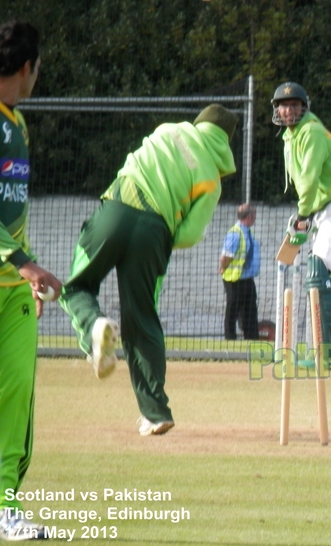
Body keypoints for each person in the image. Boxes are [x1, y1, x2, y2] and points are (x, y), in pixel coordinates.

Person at [59, 104, 238, 436]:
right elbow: (192, 234)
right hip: (156, 233)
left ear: (199, 124)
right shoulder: (212, 179)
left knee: (75, 287)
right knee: (142, 316)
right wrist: (162, 232)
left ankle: (93, 327)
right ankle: (156, 412)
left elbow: (132, 164)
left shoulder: (168, 129)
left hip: (116, 210)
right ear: (226, 141)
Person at [1, 19, 61, 541]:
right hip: (11, 270)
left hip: (12, 290)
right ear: (28, 68)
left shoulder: (17, 124)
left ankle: (5, 507)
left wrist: (27, 271)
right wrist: (23, 261)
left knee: (16, 398)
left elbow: (11, 213)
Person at [271, 82, 331, 366]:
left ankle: (325, 353)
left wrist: (302, 216)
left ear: (304, 107)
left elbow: (310, 177)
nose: (289, 110)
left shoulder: (311, 131)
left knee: (318, 271)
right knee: (330, 275)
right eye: (283, 105)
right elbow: (307, 185)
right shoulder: (291, 136)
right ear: (277, 110)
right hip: (330, 210)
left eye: (294, 105)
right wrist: (306, 216)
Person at [219, 203, 260, 341]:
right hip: (234, 280)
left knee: (250, 310)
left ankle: (252, 339)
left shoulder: (246, 232)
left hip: (247, 278)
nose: (255, 218)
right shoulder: (235, 234)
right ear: (249, 216)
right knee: (232, 311)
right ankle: (230, 340)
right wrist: (223, 267)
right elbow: (226, 256)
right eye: (254, 215)